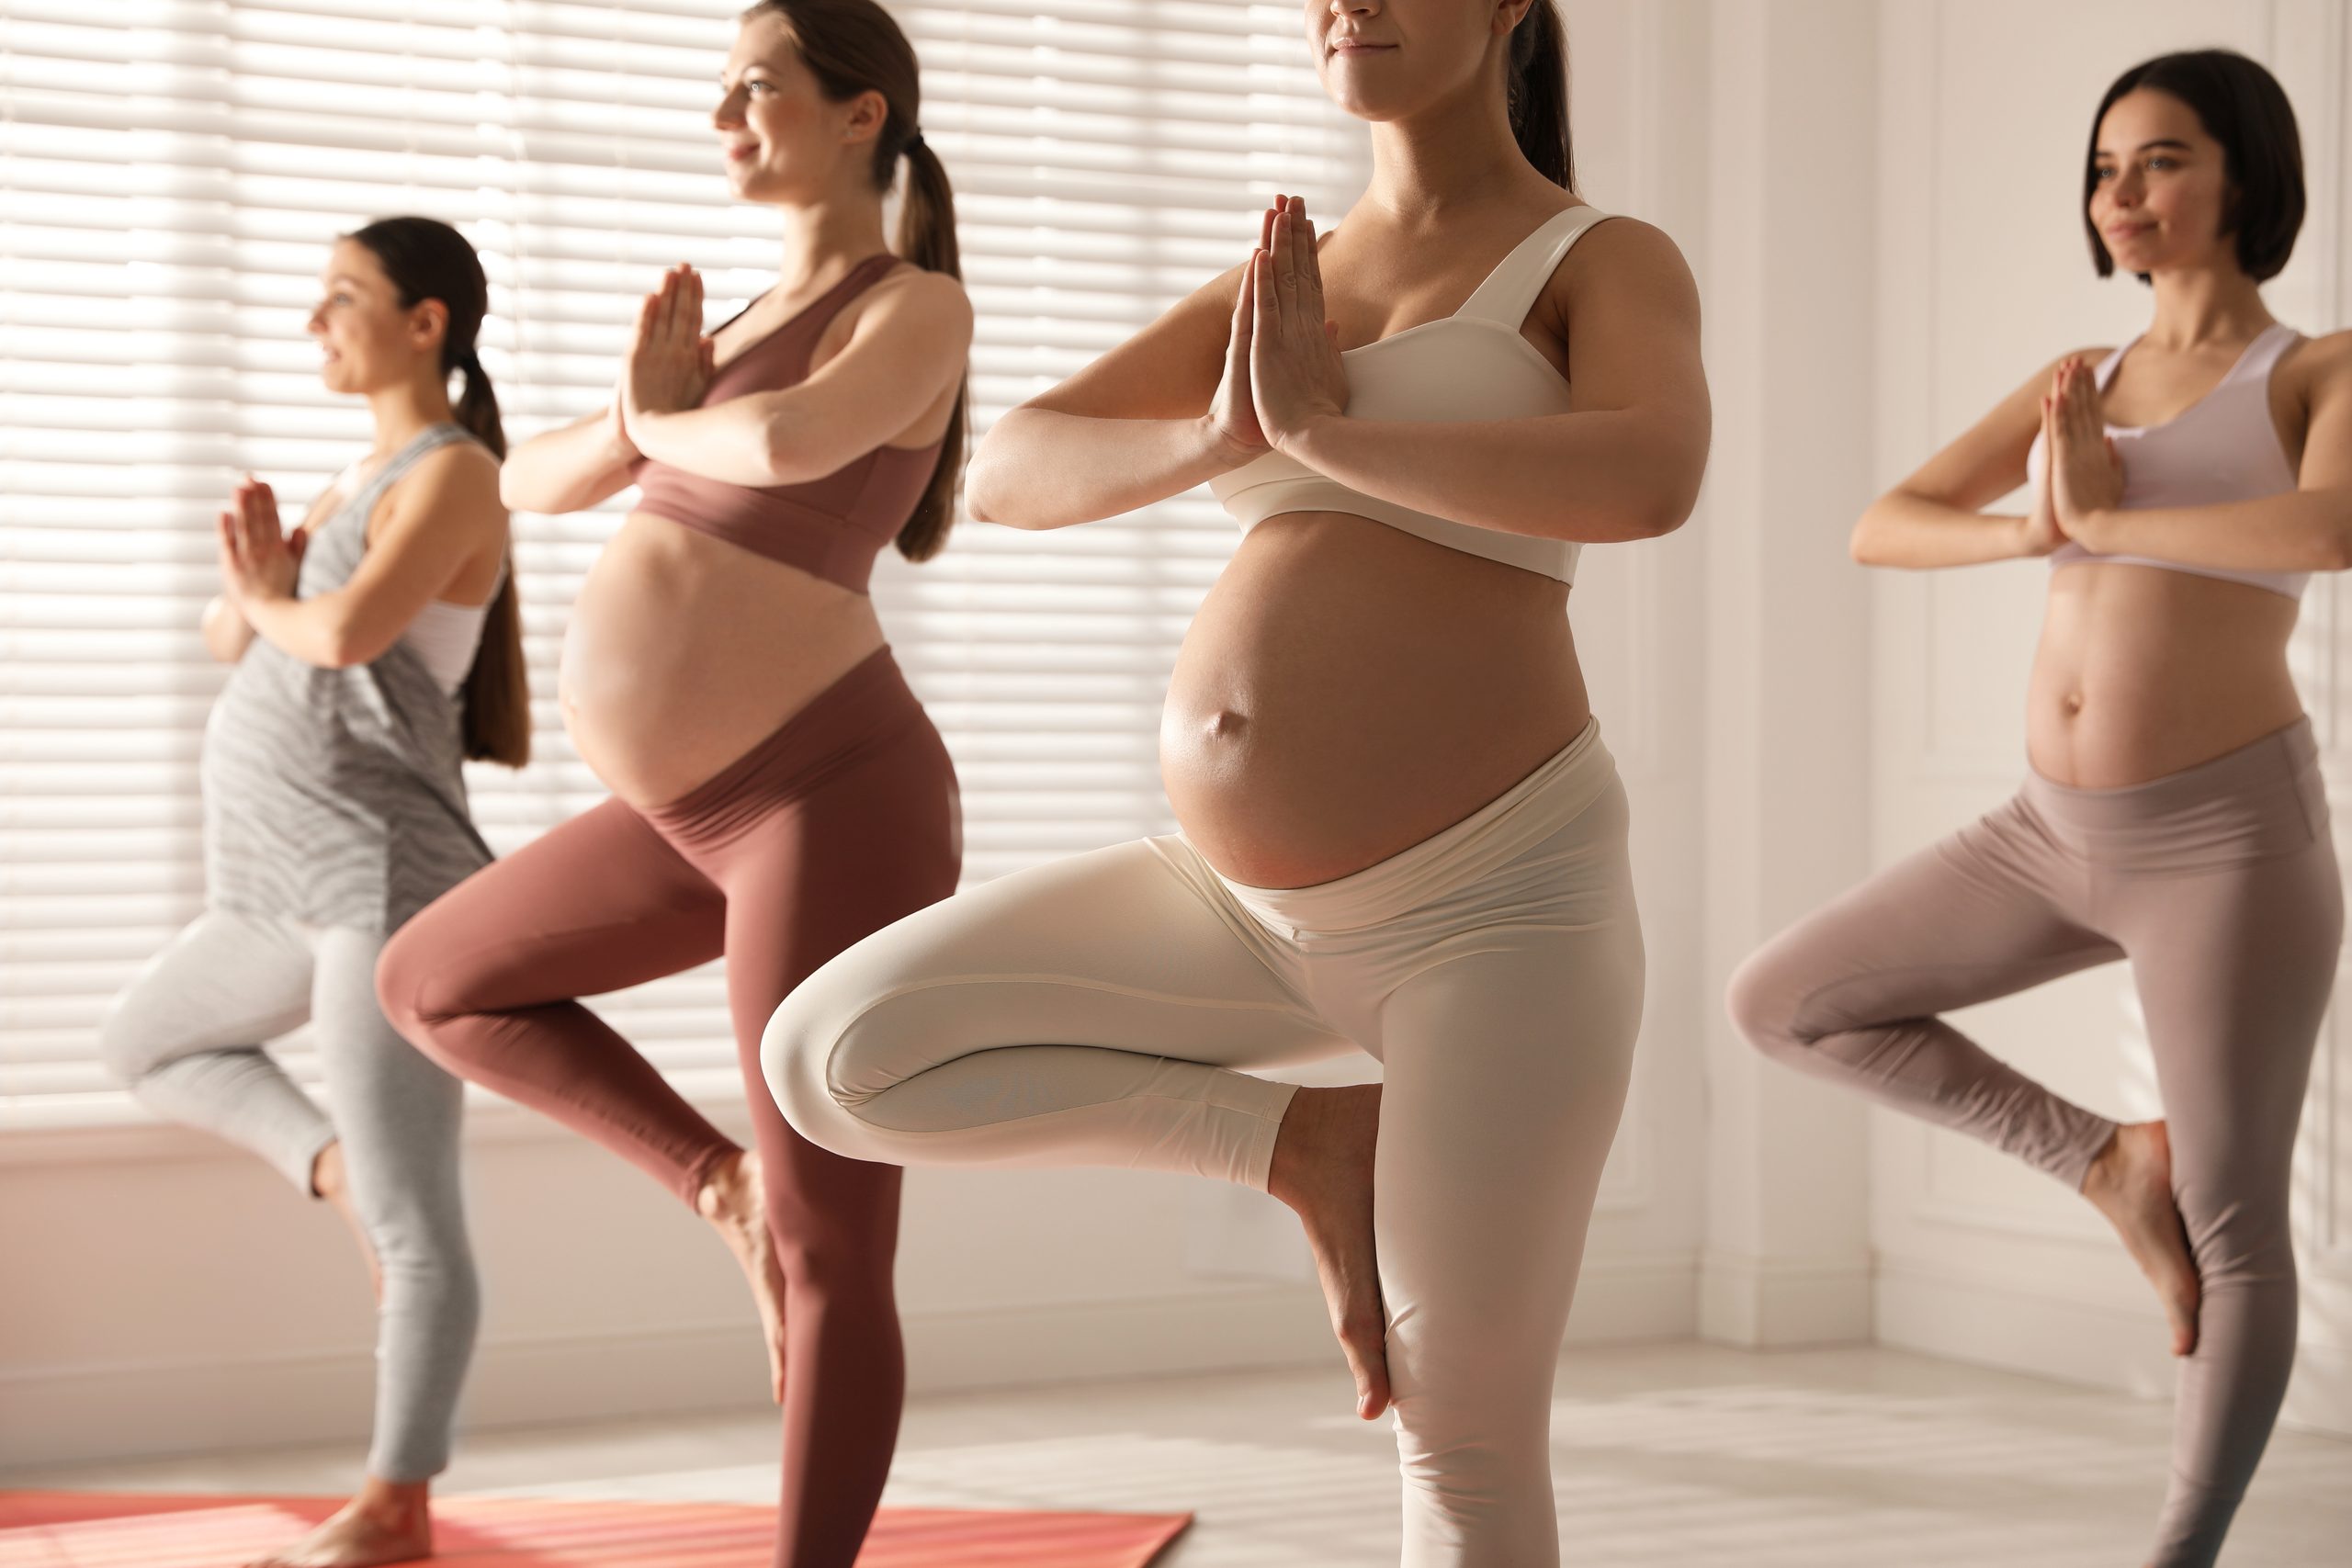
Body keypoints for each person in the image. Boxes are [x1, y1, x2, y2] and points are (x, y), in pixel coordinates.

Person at [761, 4, 1709, 1563]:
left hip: (1495, 911)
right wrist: (1221, 433)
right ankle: (1299, 1145)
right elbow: (1009, 465)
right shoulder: (1288, 277)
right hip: (1233, 903)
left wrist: (1326, 435)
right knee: (833, 1059)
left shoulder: (1599, 258)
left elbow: (1648, 477)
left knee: (1458, 1439)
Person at [1726, 49, 2349, 1568]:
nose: (2121, 192)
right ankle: (2098, 1161)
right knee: (1781, 1001)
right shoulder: (2084, 381)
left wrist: (2114, 513)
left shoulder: (2322, 369)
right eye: (2102, 168)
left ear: (2246, 178)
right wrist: (2036, 528)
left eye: (2160, 159)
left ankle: (2179, 1553)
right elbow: (1885, 524)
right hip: (2042, 831)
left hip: (2225, 842)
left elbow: (2331, 524)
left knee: (2237, 1224)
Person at [373, 4, 969, 1563]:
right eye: (718, 89)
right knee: (432, 978)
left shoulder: (912, 310)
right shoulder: (719, 335)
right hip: (680, 818)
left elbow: (792, 438)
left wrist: (651, 414)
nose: (725, 112)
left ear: (861, 115)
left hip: (828, 794)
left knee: (837, 1242)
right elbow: (528, 478)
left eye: (757, 86)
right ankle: (717, 1189)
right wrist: (653, 405)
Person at [100, 215, 522, 1568]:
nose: (314, 321)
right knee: (145, 1041)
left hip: (378, 878)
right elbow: (238, 626)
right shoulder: (357, 476)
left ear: (426, 324)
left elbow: (340, 632)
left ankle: (397, 1509)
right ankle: (332, 1166)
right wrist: (265, 586)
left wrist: (283, 601)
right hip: (273, 882)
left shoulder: (457, 475)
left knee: (418, 1222)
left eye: (343, 297)